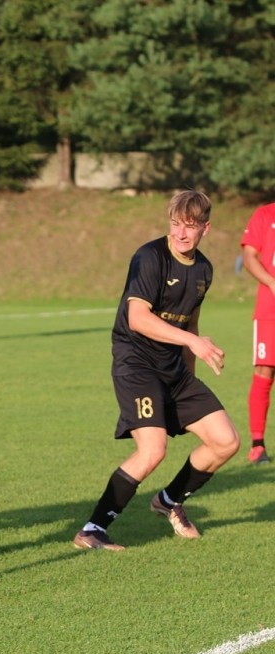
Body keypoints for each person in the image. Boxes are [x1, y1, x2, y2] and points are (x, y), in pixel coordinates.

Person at [73, 190, 240, 551]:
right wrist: (193, 342)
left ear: (206, 228)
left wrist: (190, 371)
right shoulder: (150, 257)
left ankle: (168, 501)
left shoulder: (204, 269)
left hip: (175, 369)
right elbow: (137, 318)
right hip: (137, 363)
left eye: (190, 226)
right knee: (152, 450)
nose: (181, 233)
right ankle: (92, 529)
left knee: (225, 441)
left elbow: (190, 322)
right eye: (176, 224)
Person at [239, 202, 275, 465]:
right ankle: (257, 446)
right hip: (270, 309)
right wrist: (272, 282)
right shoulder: (265, 214)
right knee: (264, 371)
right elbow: (249, 256)